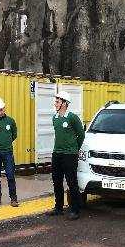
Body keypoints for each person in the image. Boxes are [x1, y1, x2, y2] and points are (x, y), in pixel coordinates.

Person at [46, 91, 85, 220]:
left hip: (70, 155)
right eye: (56, 101)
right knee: (56, 181)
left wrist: (74, 149)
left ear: (64, 103)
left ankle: (75, 209)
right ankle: (58, 208)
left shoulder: (72, 117)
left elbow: (81, 135)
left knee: (71, 182)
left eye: (57, 101)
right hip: (57, 153)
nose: (55, 103)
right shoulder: (55, 118)